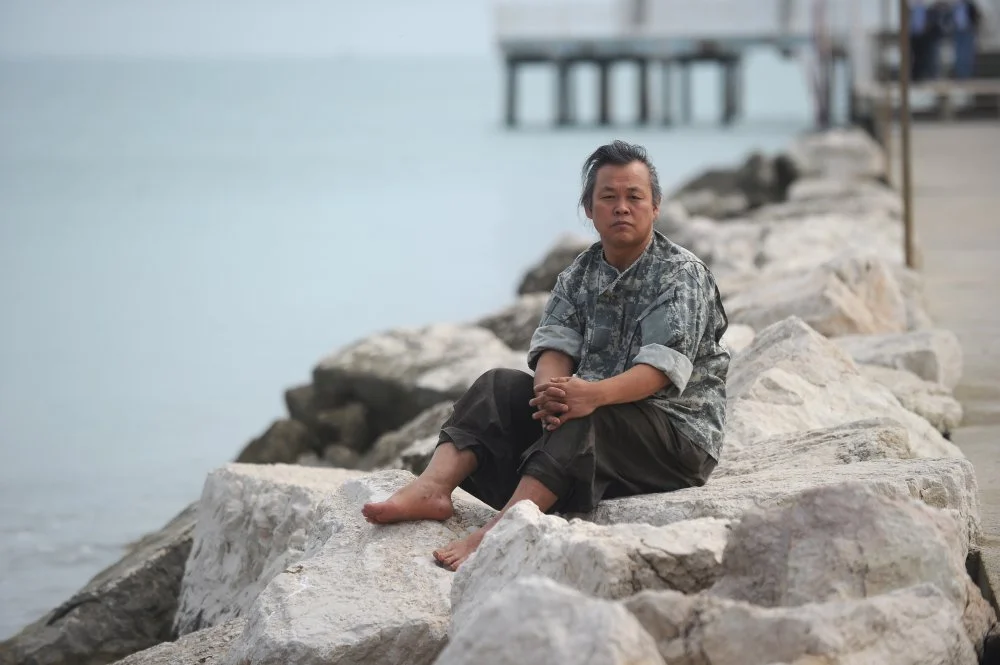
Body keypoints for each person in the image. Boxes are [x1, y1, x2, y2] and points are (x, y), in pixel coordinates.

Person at [361, 141, 731, 571]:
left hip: (675, 435)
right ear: (589, 209)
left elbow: (660, 371)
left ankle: (503, 527)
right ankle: (432, 489)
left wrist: (587, 397)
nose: (622, 208)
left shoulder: (679, 273)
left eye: (634, 197)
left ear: (656, 207)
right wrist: (552, 395)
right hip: (600, 424)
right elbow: (555, 347)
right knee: (497, 385)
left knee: (585, 417)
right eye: (608, 197)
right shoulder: (579, 274)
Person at [951, 0, 982, 78]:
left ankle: (967, 74)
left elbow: (977, 17)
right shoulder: (955, 6)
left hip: (968, 31)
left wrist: (974, 27)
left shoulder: (970, 5)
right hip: (957, 32)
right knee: (959, 54)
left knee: (967, 54)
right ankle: (960, 74)